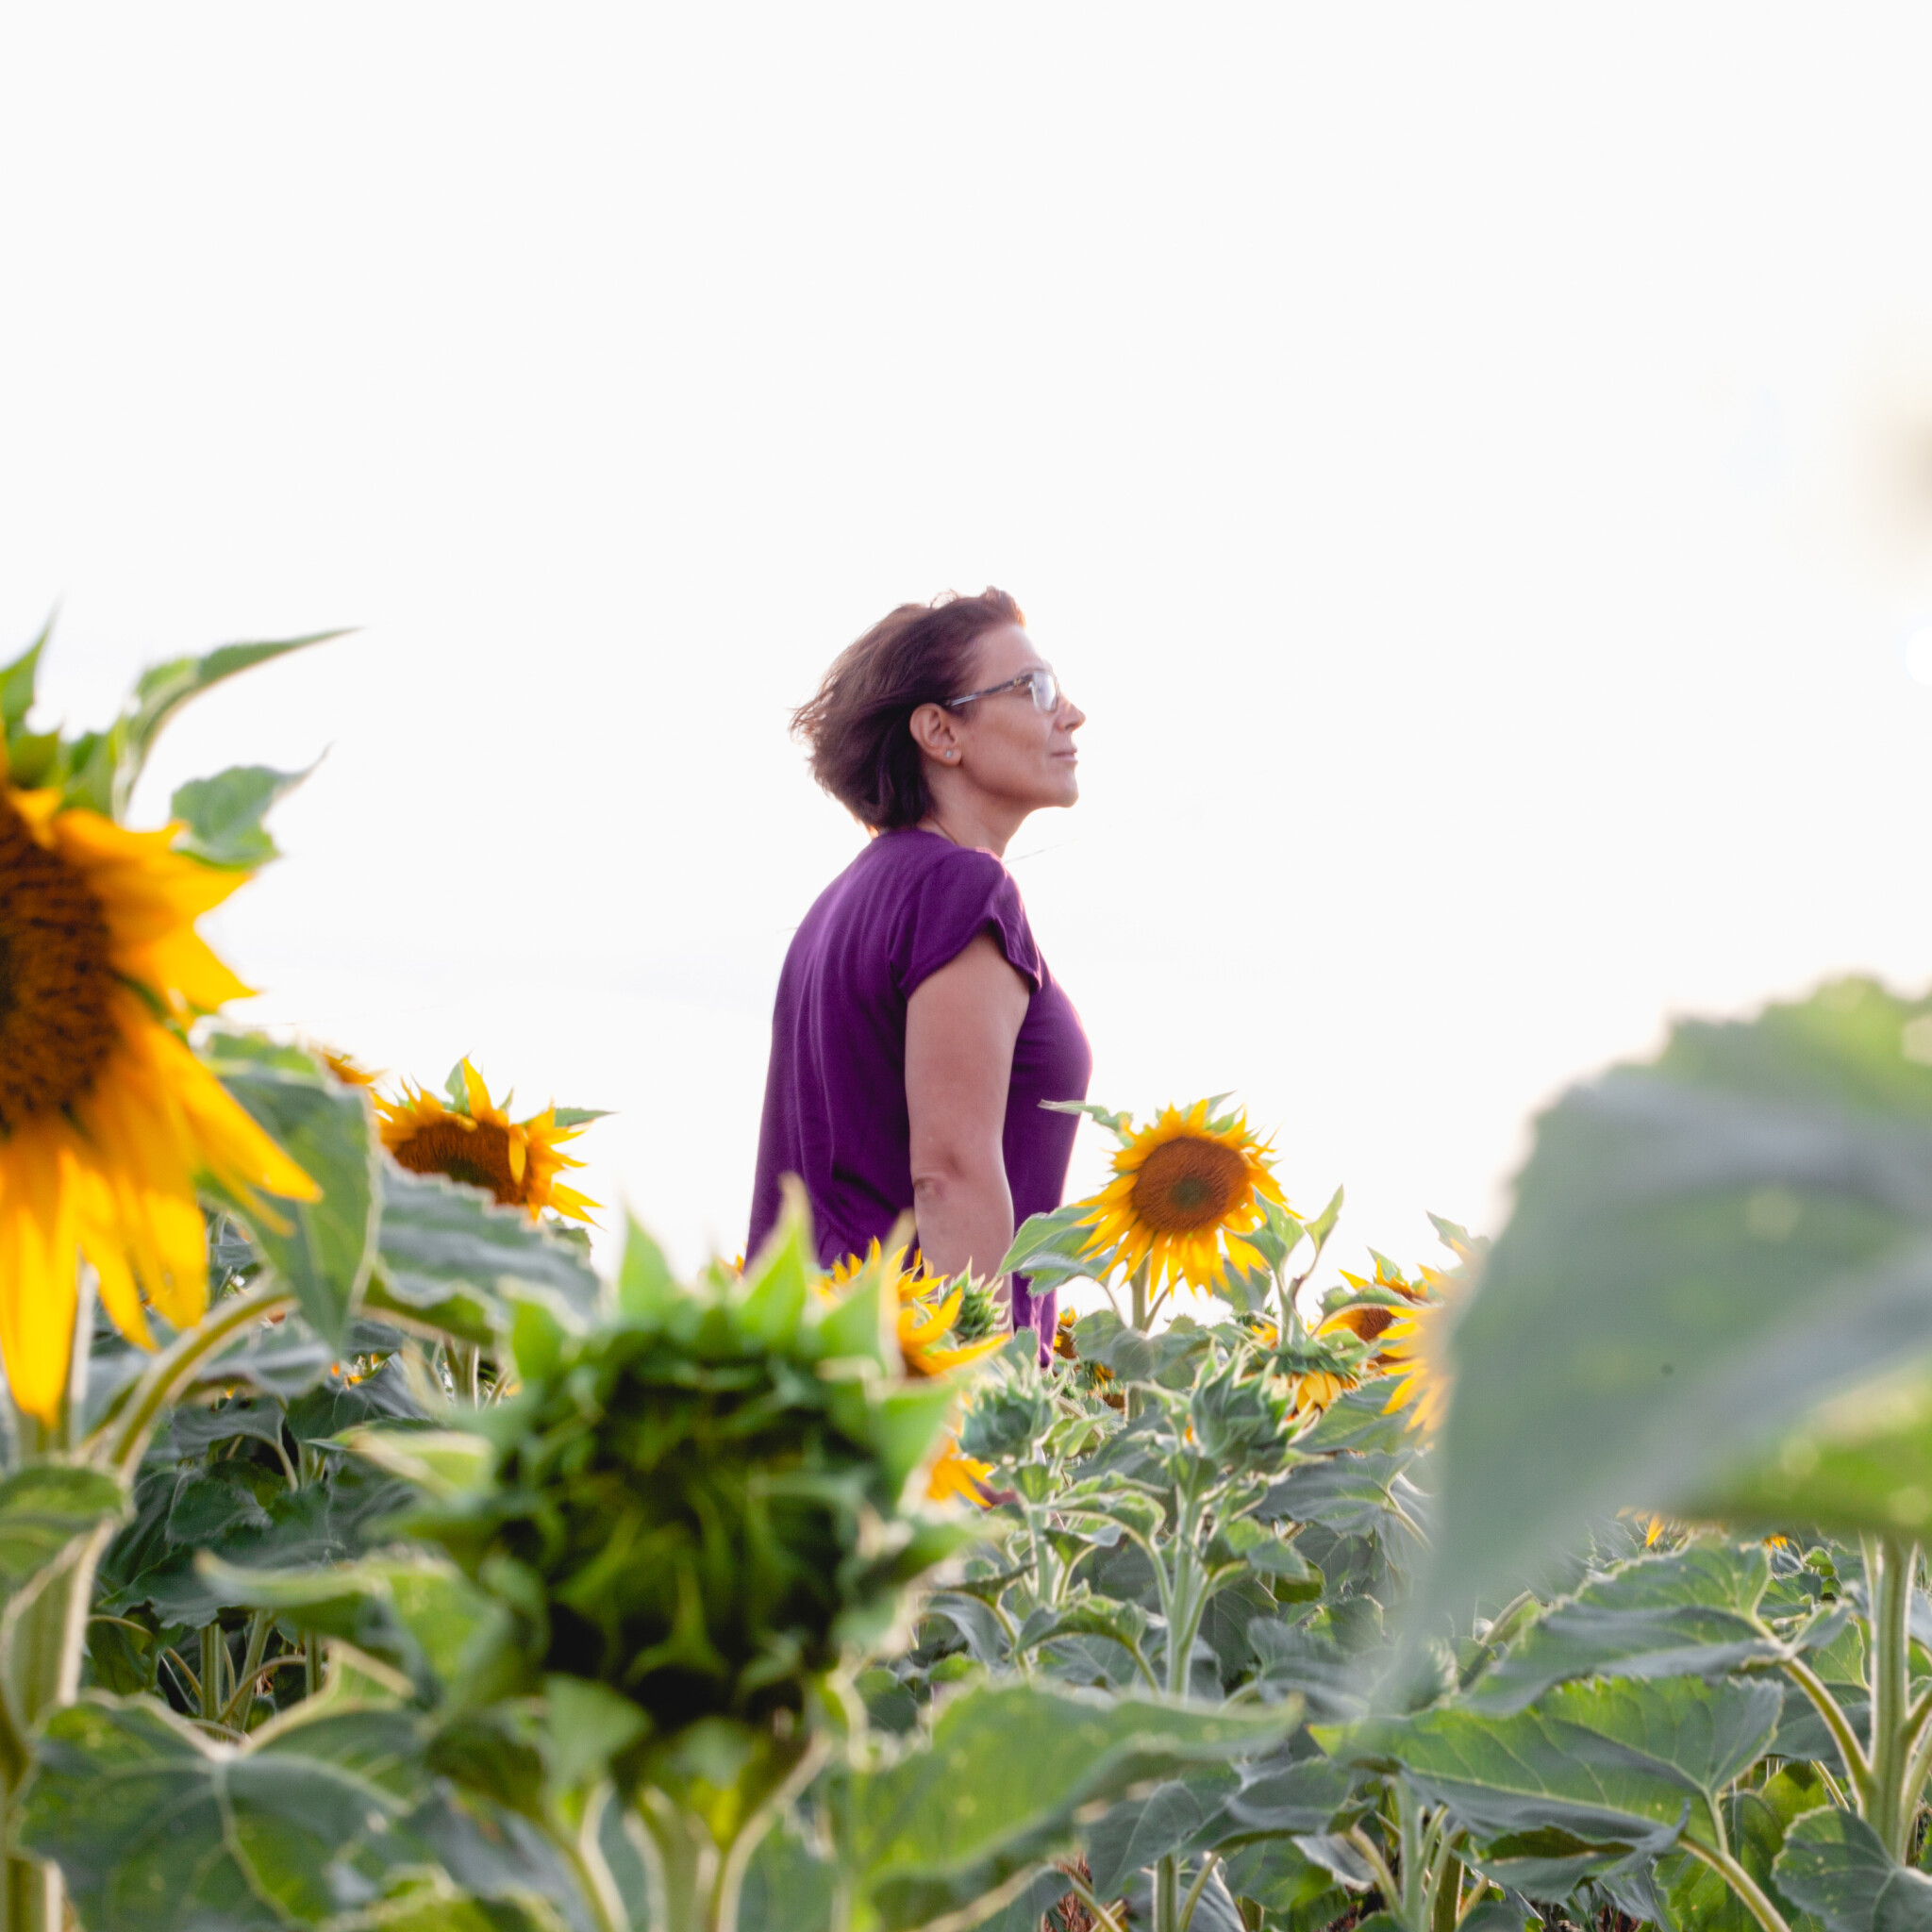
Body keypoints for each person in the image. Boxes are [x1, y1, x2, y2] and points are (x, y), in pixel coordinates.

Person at [744, 588, 1091, 1354]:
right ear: (940, 732)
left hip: (808, 1363)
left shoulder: (840, 904)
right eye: (1034, 688)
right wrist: (983, 1394)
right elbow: (951, 1173)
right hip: (903, 1376)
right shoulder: (961, 889)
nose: (1070, 714)